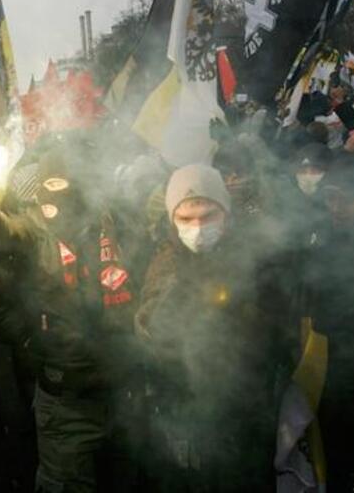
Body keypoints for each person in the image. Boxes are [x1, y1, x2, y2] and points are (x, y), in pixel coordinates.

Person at [0, 122, 143, 493]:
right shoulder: (34, 233)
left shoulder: (115, 226)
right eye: (45, 189)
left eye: (60, 185)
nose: (52, 201)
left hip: (125, 394)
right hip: (67, 404)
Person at [135, 164, 278, 491]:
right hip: (186, 407)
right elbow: (148, 328)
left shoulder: (255, 258)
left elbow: (273, 331)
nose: (197, 228)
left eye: (208, 215)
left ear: (226, 214)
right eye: (186, 219)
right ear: (172, 220)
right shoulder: (165, 262)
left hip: (246, 409)